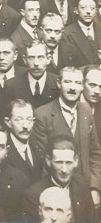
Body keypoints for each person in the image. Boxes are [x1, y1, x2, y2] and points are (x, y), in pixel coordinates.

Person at [32, 66, 101, 195]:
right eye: (68, 82)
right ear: (59, 83)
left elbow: (95, 153)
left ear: (82, 86)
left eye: (77, 83)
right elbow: (43, 161)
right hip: (55, 191)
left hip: (85, 190)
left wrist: (95, 188)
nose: (73, 88)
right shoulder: (42, 115)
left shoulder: (85, 110)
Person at [22, 135, 95, 223]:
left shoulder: (81, 184)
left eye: (68, 163)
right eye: (59, 162)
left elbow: (92, 219)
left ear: (76, 161)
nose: (64, 170)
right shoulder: (33, 195)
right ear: (48, 161)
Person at [4, 41, 60, 109]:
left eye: (40, 57)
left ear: (48, 59)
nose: (36, 63)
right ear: (25, 60)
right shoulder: (11, 85)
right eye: (31, 58)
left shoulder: (58, 83)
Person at [4, 99, 44, 182]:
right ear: (8, 122)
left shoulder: (37, 145)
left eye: (29, 120)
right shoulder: (3, 150)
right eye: (19, 120)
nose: (25, 126)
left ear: (33, 122)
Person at [61, 0, 101, 67]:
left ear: (96, 11)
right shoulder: (67, 34)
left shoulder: (99, 29)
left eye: (92, 8)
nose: (88, 11)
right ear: (76, 10)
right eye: (83, 8)